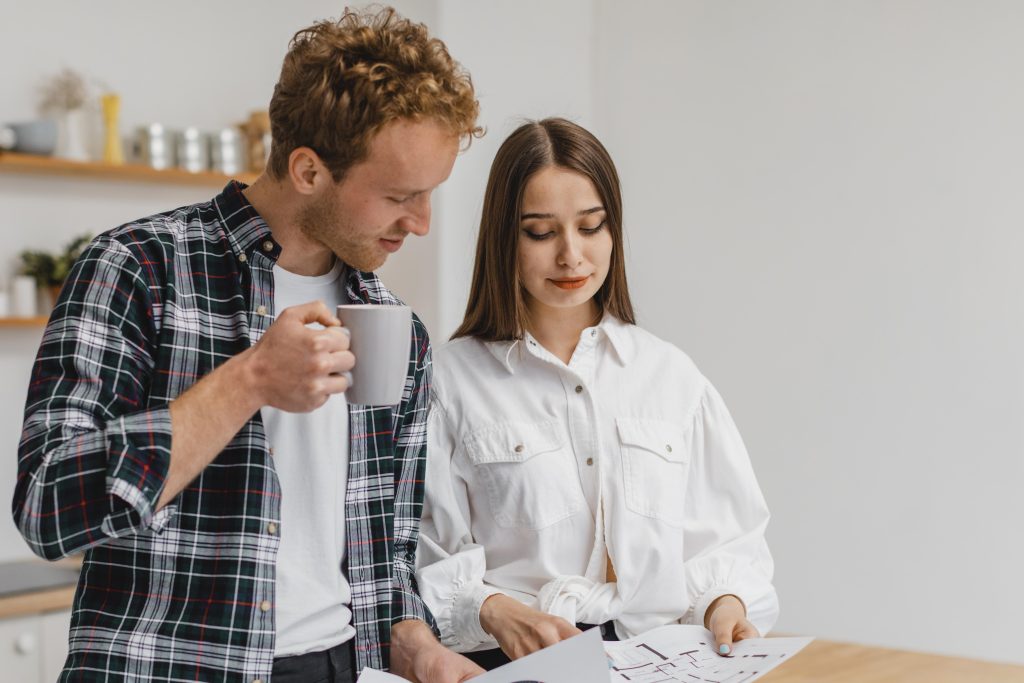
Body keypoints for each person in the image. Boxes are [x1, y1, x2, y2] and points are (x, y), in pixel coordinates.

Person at [13, 8, 486, 683]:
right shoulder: (138, 268)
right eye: (399, 196)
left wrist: (418, 647)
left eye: (429, 195)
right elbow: (46, 506)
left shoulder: (394, 327)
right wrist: (248, 380)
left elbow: (385, 559)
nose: (422, 222)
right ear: (308, 170)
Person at [416, 118, 779, 669]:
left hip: (661, 660)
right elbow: (423, 554)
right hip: (515, 664)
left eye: (591, 227)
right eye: (540, 232)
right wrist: (491, 607)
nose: (571, 256)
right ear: (503, 238)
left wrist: (724, 602)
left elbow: (726, 540)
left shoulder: (670, 377)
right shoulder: (448, 382)